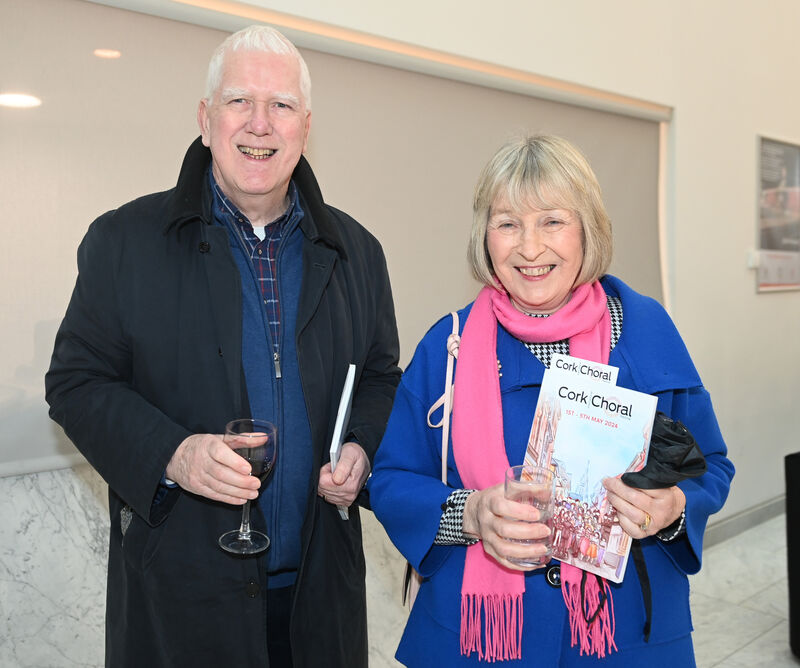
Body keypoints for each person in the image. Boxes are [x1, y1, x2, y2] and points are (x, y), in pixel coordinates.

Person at [45, 25, 400, 668]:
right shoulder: (125, 242)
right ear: (206, 120)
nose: (260, 124)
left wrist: (362, 448)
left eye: (281, 106)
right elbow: (76, 383)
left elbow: (379, 378)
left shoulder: (358, 254)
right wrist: (173, 454)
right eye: (240, 101)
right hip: (181, 608)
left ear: (305, 126)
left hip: (319, 604)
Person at [369, 135, 734, 666]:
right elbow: (393, 481)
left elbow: (711, 466)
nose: (530, 248)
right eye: (508, 222)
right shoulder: (444, 348)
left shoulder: (645, 330)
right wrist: (470, 514)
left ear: (588, 229)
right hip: (481, 639)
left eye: (552, 221)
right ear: (484, 236)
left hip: (622, 636)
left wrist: (675, 507)